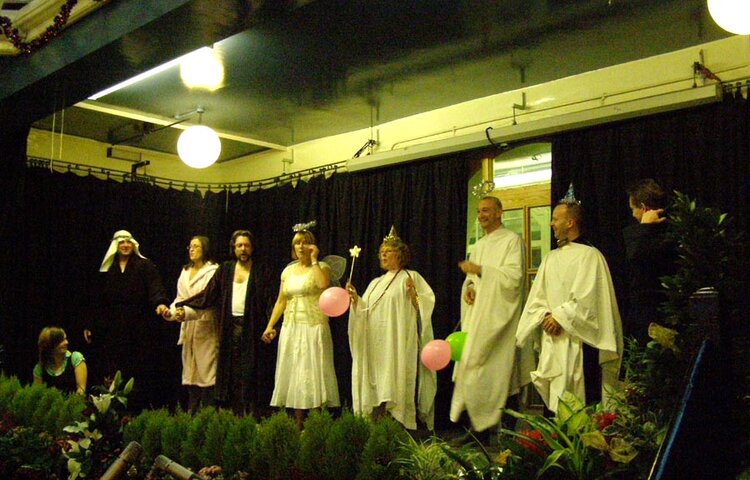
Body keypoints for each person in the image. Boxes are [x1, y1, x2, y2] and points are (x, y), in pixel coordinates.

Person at [516, 199, 623, 413]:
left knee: (582, 407)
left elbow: (589, 302)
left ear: (571, 222)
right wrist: (545, 315)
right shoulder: (550, 258)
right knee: (554, 411)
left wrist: (559, 317)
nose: (551, 224)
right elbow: (538, 297)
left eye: (556, 219)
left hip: (582, 343)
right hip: (554, 341)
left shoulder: (590, 256)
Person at [450, 196, 532, 434]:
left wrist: (481, 270)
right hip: (481, 319)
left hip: (502, 320)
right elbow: (472, 280)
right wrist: (470, 289)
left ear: (499, 213)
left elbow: (513, 279)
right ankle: (479, 433)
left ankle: (508, 433)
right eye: (478, 211)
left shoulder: (512, 241)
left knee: (505, 373)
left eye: (486, 210)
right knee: (476, 371)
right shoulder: (480, 245)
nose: (481, 215)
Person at [176, 230, 276, 416]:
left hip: (251, 329)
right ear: (234, 248)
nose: (243, 249)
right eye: (239, 246)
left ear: (252, 248)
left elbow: (269, 301)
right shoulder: (226, 269)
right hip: (229, 329)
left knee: (249, 374)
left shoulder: (261, 270)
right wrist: (183, 305)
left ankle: (251, 416)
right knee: (230, 375)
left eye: (246, 245)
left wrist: (272, 327)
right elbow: (208, 295)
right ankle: (234, 416)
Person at [347, 226, 437, 431]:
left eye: (388, 250)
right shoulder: (375, 283)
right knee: (377, 380)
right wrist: (355, 300)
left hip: (397, 341)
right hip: (376, 344)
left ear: (401, 254)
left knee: (395, 377)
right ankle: (378, 422)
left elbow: (424, 306)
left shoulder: (410, 276)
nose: (383, 254)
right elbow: (365, 311)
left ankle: (397, 423)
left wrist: (415, 296)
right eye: (381, 252)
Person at [262, 225, 340, 428]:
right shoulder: (288, 270)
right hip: (292, 326)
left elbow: (323, 285)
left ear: (312, 245)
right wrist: (270, 326)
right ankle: (297, 423)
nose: (300, 245)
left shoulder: (322, 267)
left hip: (313, 326)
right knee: (295, 372)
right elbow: (281, 300)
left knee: (313, 372)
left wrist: (314, 260)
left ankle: (316, 423)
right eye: (297, 242)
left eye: (304, 241)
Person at [85, 230, 170, 410]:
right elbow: (97, 300)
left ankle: (137, 410)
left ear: (133, 245)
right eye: (122, 242)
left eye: (128, 242)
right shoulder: (107, 269)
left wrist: (160, 303)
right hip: (113, 330)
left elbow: (155, 288)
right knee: (114, 371)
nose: (125, 245)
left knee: (137, 371)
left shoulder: (145, 266)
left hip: (138, 328)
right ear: (115, 245)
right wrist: (91, 324)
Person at [163, 236, 219, 413]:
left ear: (205, 249)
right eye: (190, 246)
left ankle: (208, 414)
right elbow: (180, 299)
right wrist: (170, 312)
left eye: (196, 246)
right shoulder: (185, 272)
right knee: (191, 376)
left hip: (206, 327)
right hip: (189, 331)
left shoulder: (212, 272)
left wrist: (184, 312)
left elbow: (206, 301)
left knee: (207, 375)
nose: (191, 249)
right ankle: (190, 416)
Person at [622, 179, 676, 344]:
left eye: (633, 209)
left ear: (644, 208)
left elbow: (635, 256)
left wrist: (644, 228)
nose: (632, 214)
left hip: (653, 315)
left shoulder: (654, 236)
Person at [33, 326, 87, 394]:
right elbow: (38, 394)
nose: (66, 342)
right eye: (61, 341)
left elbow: (81, 390)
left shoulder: (75, 358)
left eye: (65, 339)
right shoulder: (40, 368)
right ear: (50, 346)